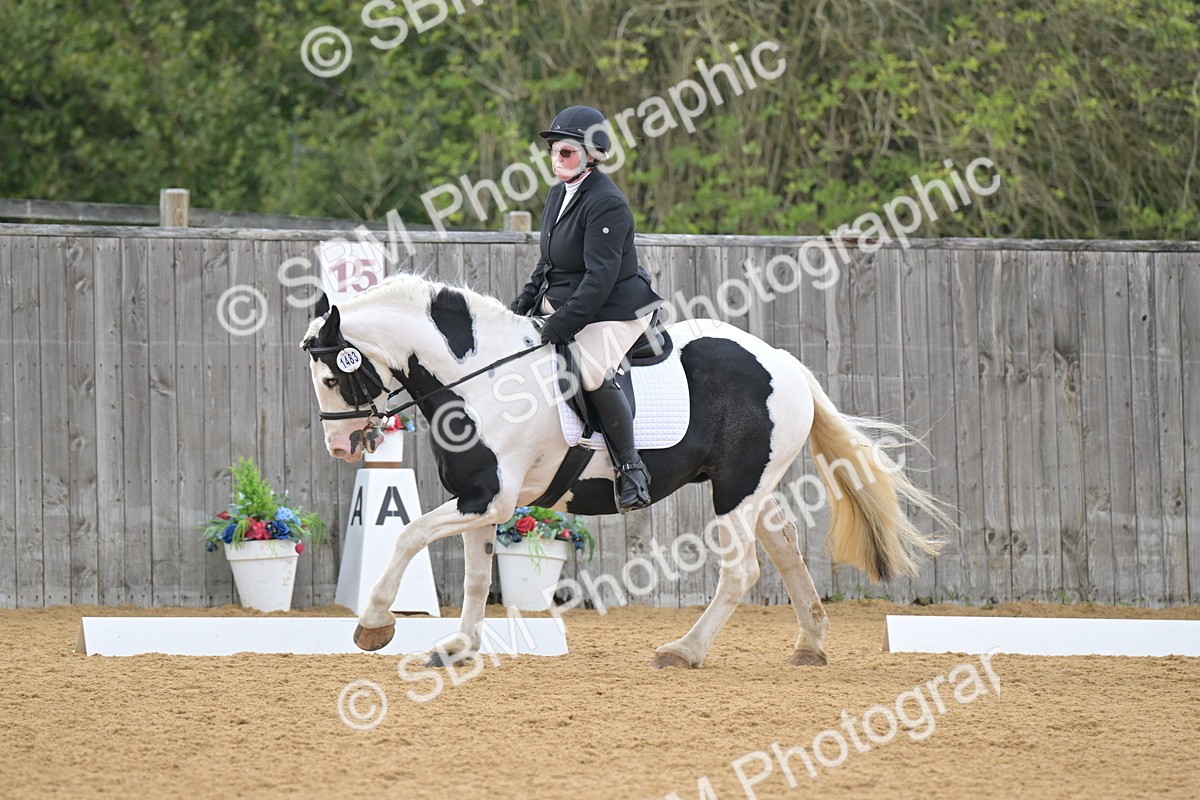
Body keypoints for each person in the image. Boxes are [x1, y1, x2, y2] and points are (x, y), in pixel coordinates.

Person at [511, 105, 663, 514]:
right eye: (554, 152)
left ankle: (631, 469)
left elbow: (599, 280)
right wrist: (524, 301)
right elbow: (549, 260)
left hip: (615, 308)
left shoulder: (607, 203)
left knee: (591, 371)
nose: (557, 160)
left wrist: (559, 324)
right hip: (569, 301)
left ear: (592, 156)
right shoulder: (559, 193)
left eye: (567, 153)